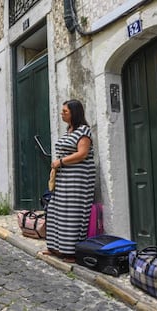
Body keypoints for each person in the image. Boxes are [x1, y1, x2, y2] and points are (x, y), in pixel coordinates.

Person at [43, 99, 96, 263]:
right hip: (64, 178)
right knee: (55, 211)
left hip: (78, 180)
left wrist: (61, 162)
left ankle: (72, 252)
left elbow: (82, 154)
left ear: (75, 113)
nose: (62, 113)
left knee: (73, 214)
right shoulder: (69, 131)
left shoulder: (84, 131)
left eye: (65, 111)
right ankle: (56, 247)